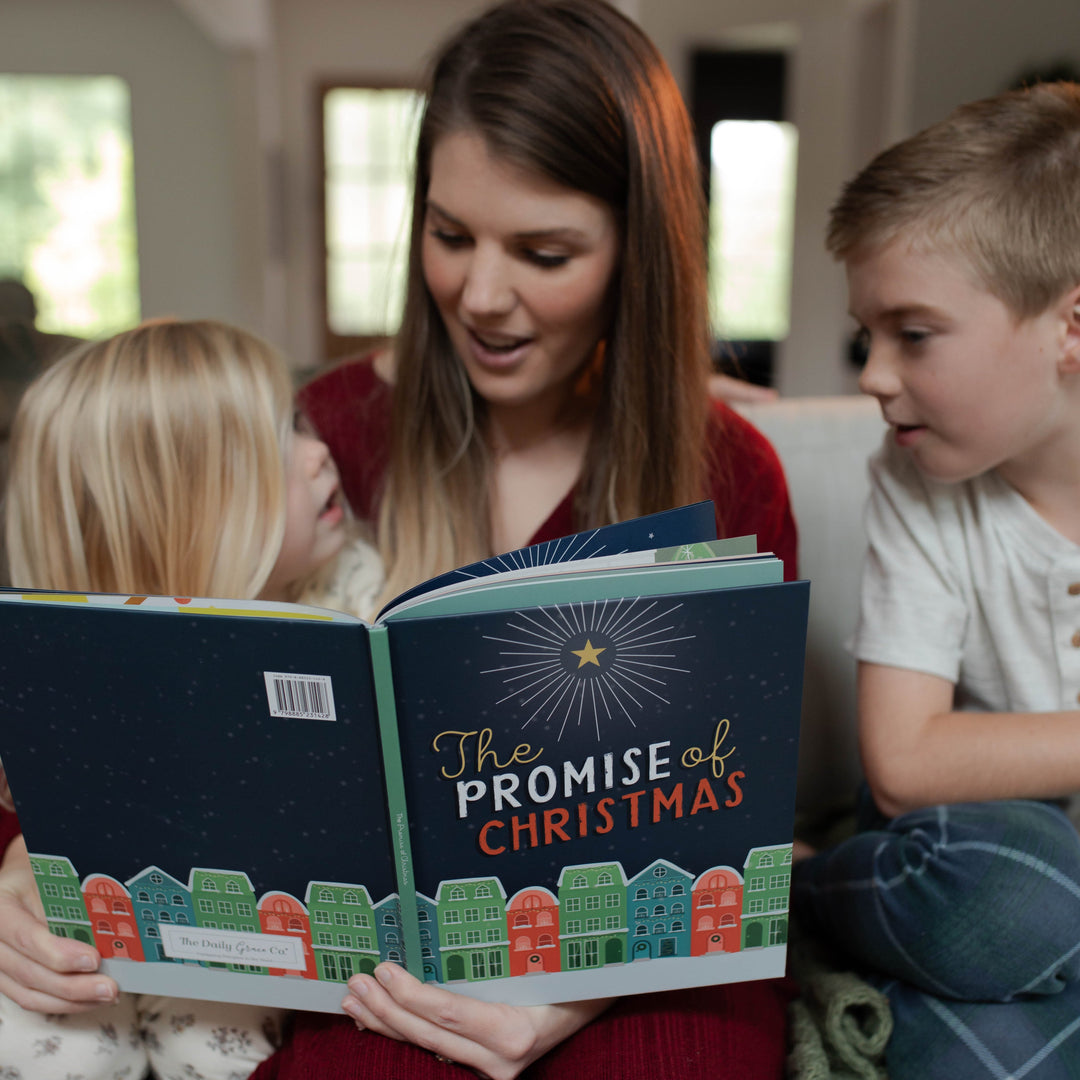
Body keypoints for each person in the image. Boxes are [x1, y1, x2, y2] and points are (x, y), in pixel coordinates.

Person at [260, 1, 798, 1078]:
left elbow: (747, 825)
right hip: (393, 957)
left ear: (637, 256)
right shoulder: (327, 440)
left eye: (544, 253)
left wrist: (565, 996)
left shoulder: (728, 468)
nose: (481, 295)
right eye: (450, 235)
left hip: (649, 947)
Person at [0, 318, 383, 1079]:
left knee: (211, 1049)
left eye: (299, 420)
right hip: (102, 912)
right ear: (189, 517)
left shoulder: (357, 602)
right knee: (48, 1042)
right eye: (278, 444)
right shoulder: (75, 660)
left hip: (253, 922)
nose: (318, 452)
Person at [791, 81, 1080, 1077]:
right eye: (867, 335)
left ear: (1071, 327)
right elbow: (906, 763)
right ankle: (805, 892)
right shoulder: (921, 482)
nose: (873, 373)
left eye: (912, 334)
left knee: (1002, 1053)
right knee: (1026, 895)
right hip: (965, 855)